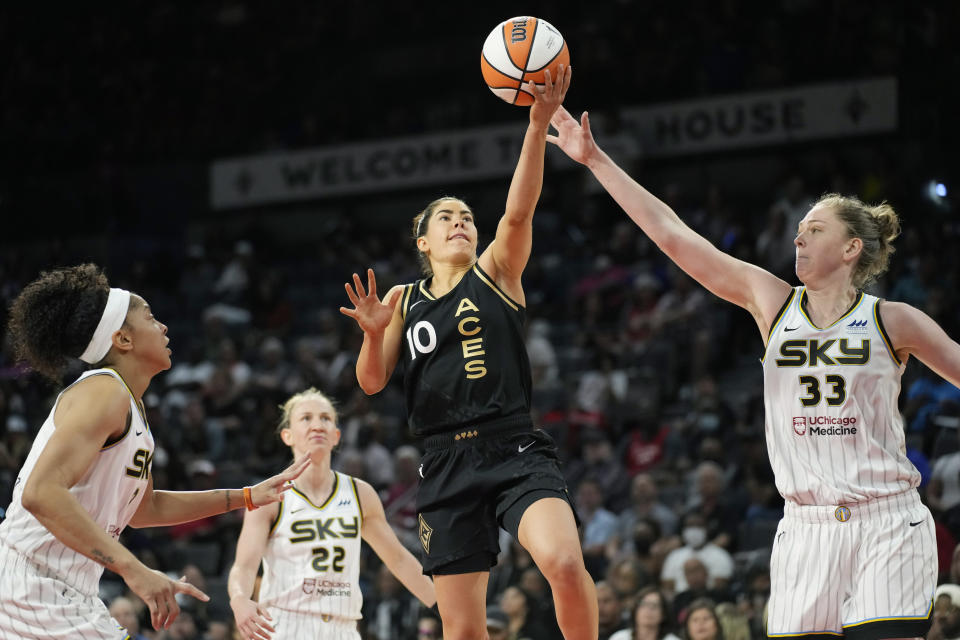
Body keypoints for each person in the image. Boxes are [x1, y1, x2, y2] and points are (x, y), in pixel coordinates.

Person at [548, 106, 948, 638]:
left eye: (814, 229)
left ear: (852, 247)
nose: (797, 238)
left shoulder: (893, 319)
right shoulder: (772, 302)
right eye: (798, 230)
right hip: (807, 528)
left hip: (888, 521)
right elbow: (673, 236)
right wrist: (595, 159)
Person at [341, 65, 598, 640]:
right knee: (461, 630)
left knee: (561, 562)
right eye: (446, 218)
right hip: (444, 461)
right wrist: (371, 332)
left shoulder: (498, 271)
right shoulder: (401, 299)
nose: (461, 223)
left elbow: (518, 211)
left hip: (513, 445)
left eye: (467, 217)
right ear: (423, 242)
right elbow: (372, 383)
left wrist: (535, 129)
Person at [0, 264, 309, 639]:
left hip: (65, 590)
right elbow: (41, 493)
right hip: (31, 581)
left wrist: (245, 496)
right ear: (123, 340)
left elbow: (146, 510)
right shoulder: (104, 391)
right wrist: (134, 569)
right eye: (149, 317)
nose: (163, 326)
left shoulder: (132, 409)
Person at [227, 388, 436, 640]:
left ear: (336, 436)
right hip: (285, 626)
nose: (317, 425)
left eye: (325, 418)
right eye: (306, 418)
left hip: (343, 628)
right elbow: (244, 566)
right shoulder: (270, 496)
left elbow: (398, 559)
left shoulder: (361, 493)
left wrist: (443, 609)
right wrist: (239, 598)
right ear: (287, 435)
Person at [608, 586, 680, 640]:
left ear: (664, 614)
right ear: (635, 609)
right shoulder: (619, 638)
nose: (648, 610)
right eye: (643, 604)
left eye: (654, 606)